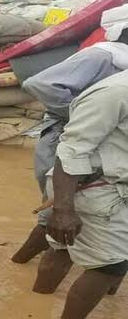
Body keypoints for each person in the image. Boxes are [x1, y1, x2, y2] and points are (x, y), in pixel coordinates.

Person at [12, 6, 128, 264]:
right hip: (66, 140)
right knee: (57, 211)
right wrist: (80, 115)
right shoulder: (101, 57)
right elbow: (39, 84)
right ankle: (20, 267)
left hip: (91, 143)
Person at [31, 68, 128, 318]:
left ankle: (31, 305)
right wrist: (63, 210)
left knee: (62, 249)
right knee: (112, 266)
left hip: (101, 185)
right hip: (91, 188)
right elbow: (71, 149)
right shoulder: (116, 92)